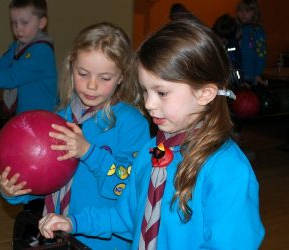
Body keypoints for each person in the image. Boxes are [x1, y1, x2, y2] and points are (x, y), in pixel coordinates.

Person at [38, 20, 265, 249]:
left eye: (162, 92)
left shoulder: (227, 169)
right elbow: (126, 216)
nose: (149, 104)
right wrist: (73, 222)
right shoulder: (152, 152)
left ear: (205, 94)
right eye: (145, 90)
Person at [0, 22, 150, 249]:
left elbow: (128, 187)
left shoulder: (132, 124)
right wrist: (13, 191)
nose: (92, 85)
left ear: (122, 76)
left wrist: (88, 152)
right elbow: (45, 181)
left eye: (105, 78)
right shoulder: (60, 118)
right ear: (71, 67)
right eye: (83, 73)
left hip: (106, 243)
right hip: (60, 238)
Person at [236, 0, 267, 86]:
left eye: (247, 11)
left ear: (254, 13)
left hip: (250, 75)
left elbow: (261, 54)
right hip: (236, 74)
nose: (243, 14)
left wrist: (258, 74)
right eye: (241, 11)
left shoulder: (258, 31)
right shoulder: (236, 29)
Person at [213, 14, 243, 90]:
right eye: (219, 35)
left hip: (229, 83)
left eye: (224, 37)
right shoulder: (208, 40)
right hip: (212, 81)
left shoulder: (233, 44)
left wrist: (239, 83)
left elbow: (237, 64)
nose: (221, 39)